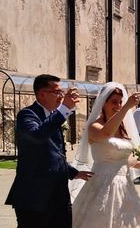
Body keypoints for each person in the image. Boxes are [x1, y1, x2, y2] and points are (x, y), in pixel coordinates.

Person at [6, 74, 92, 228]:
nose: (61, 97)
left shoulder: (54, 117)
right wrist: (64, 109)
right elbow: (38, 136)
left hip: (58, 195)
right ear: (42, 94)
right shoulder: (27, 115)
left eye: (62, 93)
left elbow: (54, 153)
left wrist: (74, 173)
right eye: (57, 92)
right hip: (35, 197)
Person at [70, 82, 140, 228]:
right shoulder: (94, 126)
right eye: (114, 102)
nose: (118, 105)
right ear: (103, 103)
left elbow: (122, 156)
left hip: (125, 184)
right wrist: (127, 107)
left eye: (120, 102)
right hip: (102, 184)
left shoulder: (122, 129)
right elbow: (105, 133)